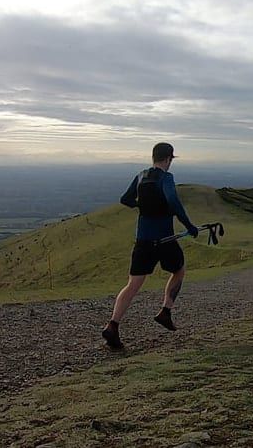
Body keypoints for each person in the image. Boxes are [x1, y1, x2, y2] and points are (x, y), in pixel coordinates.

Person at [101, 142, 199, 350]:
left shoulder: (140, 176)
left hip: (142, 240)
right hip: (164, 239)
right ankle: (165, 311)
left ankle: (113, 325)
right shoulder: (166, 178)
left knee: (133, 285)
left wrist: (141, 206)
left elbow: (125, 199)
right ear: (168, 159)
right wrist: (189, 226)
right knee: (179, 271)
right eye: (171, 159)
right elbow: (173, 201)